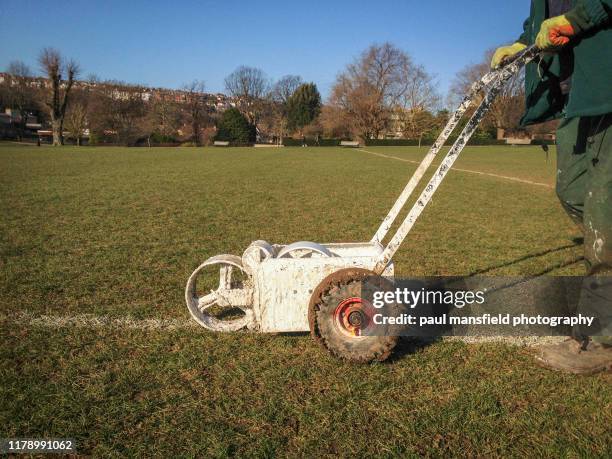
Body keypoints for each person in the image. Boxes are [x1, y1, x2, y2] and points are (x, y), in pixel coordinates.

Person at [491, 0, 611, 374]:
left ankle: (601, 337)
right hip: (580, 95)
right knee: (572, 191)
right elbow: (542, 18)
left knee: (603, 211)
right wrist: (521, 43)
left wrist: (576, 20)